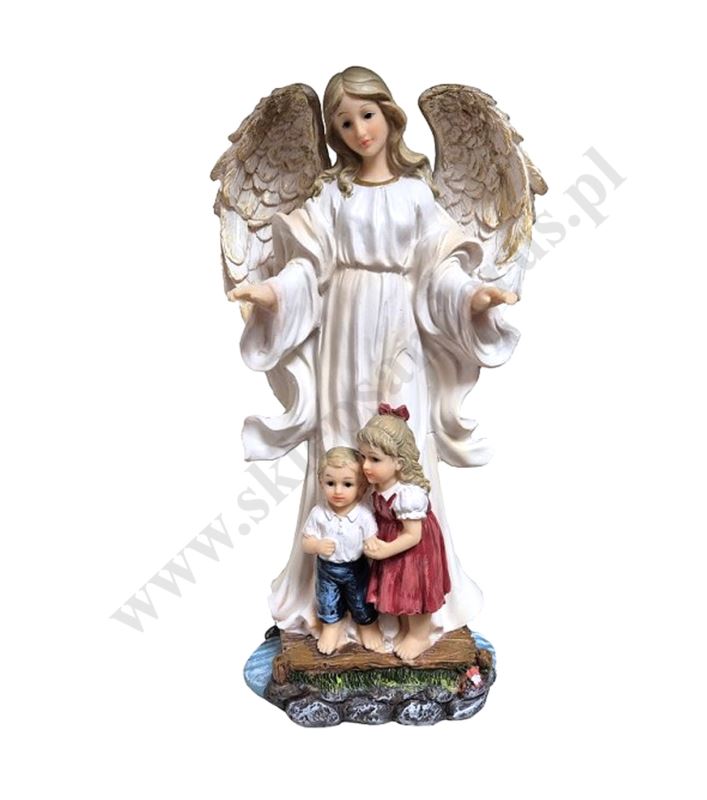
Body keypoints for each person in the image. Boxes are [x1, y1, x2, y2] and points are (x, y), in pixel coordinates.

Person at [232, 66, 520, 645]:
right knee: (342, 445)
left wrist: (473, 296)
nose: (359, 130)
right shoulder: (330, 195)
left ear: (388, 114)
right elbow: (306, 265)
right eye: (344, 122)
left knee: (399, 449)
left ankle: (404, 604)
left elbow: (440, 267)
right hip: (344, 326)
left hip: (400, 327)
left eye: (367, 115)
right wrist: (272, 293)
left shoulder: (417, 193)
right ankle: (337, 607)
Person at [357, 405, 450, 660]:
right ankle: (406, 631)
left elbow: (413, 535)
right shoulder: (379, 488)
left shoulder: (408, 495)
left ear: (399, 462)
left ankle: (419, 636)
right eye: (363, 457)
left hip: (416, 552)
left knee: (415, 590)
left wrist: (385, 549)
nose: (365, 465)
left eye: (374, 459)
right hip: (395, 546)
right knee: (399, 590)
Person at [300, 447, 384, 654]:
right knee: (327, 599)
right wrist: (316, 545)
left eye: (347, 484)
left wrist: (372, 544)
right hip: (327, 569)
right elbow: (305, 542)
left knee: (361, 599)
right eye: (331, 483)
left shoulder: (363, 515)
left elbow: (371, 538)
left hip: (356, 568)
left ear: (361, 487)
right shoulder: (319, 513)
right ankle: (331, 628)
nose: (338, 491)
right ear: (321, 482)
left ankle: (367, 626)